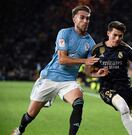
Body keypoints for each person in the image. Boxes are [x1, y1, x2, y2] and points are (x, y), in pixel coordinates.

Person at [12, 5, 108, 135]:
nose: (85, 21)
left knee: (78, 102)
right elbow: (62, 59)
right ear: (74, 19)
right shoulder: (64, 33)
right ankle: (20, 130)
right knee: (31, 114)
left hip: (68, 81)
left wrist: (96, 74)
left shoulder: (91, 43)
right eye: (82, 18)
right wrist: (84, 60)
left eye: (88, 18)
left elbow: (87, 70)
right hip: (50, 78)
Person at [86, 21, 132, 135]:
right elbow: (88, 71)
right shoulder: (97, 49)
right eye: (114, 35)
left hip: (125, 87)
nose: (117, 38)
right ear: (108, 33)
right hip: (107, 89)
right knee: (123, 108)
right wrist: (98, 73)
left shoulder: (126, 49)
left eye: (120, 36)